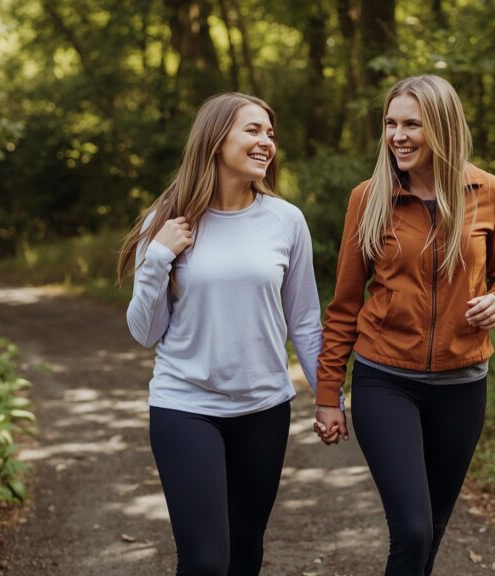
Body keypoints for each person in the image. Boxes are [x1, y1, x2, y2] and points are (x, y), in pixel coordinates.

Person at [312, 75, 495, 575]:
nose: (397, 136)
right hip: (386, 380)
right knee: (411, 527)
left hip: (462, 384)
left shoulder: (489, 192)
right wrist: (327, 394)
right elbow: (344, 304)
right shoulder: (369, 198)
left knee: (433, 529)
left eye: (412, 124)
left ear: (443, 130)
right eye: (390, 123)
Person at [117, 92, 322, 576]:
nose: (266, 142)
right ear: (215, 139)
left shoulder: (286, 221)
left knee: (245, 551)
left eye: (270, 133)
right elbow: (145, 332)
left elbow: (305, 319)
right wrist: (158, 259)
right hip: (185, 406)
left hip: (264, 408)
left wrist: (328, 395)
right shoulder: (168, 222)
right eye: (252, 130)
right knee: (206, 561)